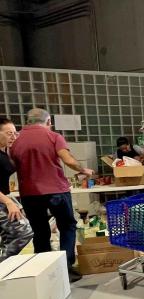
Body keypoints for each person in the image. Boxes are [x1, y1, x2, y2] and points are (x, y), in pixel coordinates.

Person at [11, 108, 94, 283]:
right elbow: (69, 160)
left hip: (29, 193)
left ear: (27, 121)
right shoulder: (54, 136)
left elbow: (11, 164)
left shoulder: (16, 139)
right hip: (56, 190)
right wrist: (84, 170)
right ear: (48, 122)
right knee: (67, 226)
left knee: (40, 230)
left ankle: (42, 271)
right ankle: (65, 268)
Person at [0, 117, 33, 263]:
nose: (13, 137)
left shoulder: (5, 151)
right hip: (3, 200)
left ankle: (7, 277)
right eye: (9, 133)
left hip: (4, 197)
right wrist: (9, 202)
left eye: (15, 133)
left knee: (9, 235)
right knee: (23, 233)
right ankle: (4, 266)